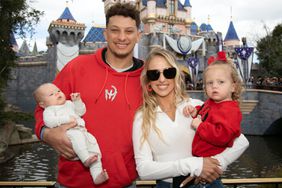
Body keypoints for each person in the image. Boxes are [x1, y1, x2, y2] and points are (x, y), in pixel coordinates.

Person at [34, 3, 143, 187]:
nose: (122, 37)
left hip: (122, 182)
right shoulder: (77, 67)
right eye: (115, 30)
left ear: (138, 35)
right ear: (105, 34)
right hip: (72, 182)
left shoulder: (148, 77)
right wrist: (47, 134)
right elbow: (41, 108)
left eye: (129, 31)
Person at [132, 47, 249, 188]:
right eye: (154, 74)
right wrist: (194, 165)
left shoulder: (196, 107)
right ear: (148, 80)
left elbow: (241, 141)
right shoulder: (142, 118)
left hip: (205, 183)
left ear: (175, 74)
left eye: (168, 72)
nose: (162, 79)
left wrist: (213, 166)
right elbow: (144, 170)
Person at [181, 52, 243, 187]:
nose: (214, 86)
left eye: (221, 82)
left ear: (233, 86)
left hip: (209, 170)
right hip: (200, 163)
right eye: (210, 83)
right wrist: (194, 110)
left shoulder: (230, 110)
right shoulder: (212, 103)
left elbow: (223, 136)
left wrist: (200, 126)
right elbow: (204, 112)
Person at [33, 83, 109, 185]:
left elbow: (81, 112)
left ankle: (97, 175)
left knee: (94, 148)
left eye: (58, 91)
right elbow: (49, 122)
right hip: (70, 132)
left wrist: (77, 101)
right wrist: (66, 119)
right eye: (51, 94)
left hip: (82, 131)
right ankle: (85, 158)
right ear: (42, 104)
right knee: (77, 138)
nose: (57, 94)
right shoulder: (49, 110)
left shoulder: (69, 103)